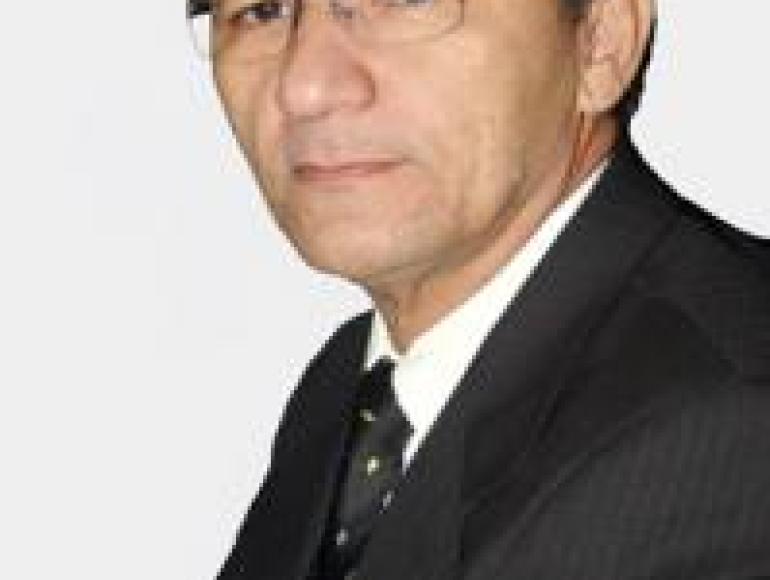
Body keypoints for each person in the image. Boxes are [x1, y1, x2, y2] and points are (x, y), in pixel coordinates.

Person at [187, 0, 770, 577]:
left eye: (404, 2)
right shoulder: (347, 392)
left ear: (602, 41)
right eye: (261, 10)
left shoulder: (734, 426)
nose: (305, 87)